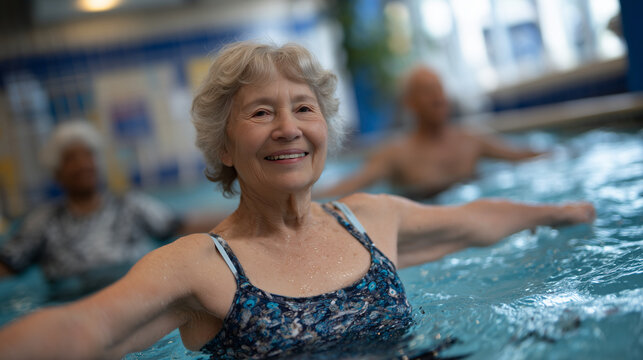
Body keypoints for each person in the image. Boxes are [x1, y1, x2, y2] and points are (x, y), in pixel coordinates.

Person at [0, 41, 595, 360]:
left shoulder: (370, 218)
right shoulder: (200, 265)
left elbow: (471, 221)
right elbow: (86, 329)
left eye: (303, 108)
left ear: (323, 131)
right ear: (225, 147)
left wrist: (556, 212)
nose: (288, 128)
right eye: (262, 113)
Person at [0, 120, 221, 297]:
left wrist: (245, 217)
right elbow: (8, 264)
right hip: (72, 304)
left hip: (134, 295)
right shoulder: (42, 223)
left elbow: (180, 224)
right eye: (71, 158)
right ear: (57, 173)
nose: (83, 164)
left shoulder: (130, 206)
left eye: (88, 155)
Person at [316, 66, 545, 200]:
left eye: (439, 89)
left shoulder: (472, 140)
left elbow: (522, 156)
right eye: (427, 91)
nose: (438, 97)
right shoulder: (395, 154)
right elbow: (351, 184)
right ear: (410, 103)